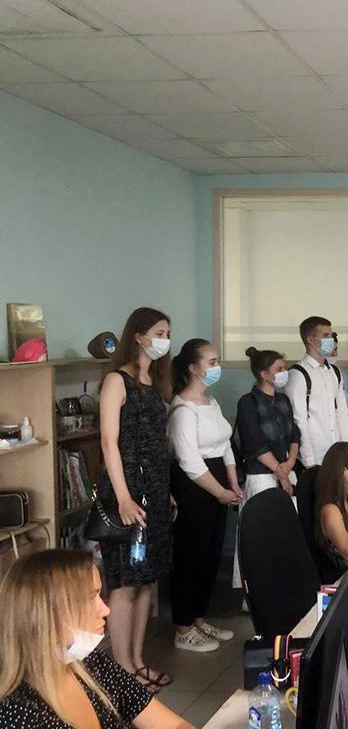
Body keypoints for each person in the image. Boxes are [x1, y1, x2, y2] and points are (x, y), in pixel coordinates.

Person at [0, 549, 192, 728]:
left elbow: (170, 724)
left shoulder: (93, 663)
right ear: (44, 613)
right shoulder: (18, 715)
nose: (106, 610)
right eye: (89, 598)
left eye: (99, 595)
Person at [97, 307, 175, 693]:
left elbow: (156, 443)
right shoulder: (117, 380)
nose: (165, 340)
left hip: (155, 492)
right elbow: (109, 443)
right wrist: (124, 499)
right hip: (126, 495)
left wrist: (167, 491)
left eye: (167, 333)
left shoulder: (153, 382)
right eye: (159, 332)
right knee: (126, 582)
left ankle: (138, 661)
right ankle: (121, 669)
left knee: (146, 581)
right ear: (139, 336)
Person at [166, 339, 241, 653]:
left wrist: (233, 482)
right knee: (191, 556)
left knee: (210, 555)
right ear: (192, 368)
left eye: (217, 360)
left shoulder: (212, 403)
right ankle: (183, 628)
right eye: (211, 362)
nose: (217, 367)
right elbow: (189, 461)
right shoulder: (182, 409)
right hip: (194, 487)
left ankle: (199, 619)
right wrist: (221, 492)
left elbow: (225, 445)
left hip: (218, 482)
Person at [232, 347, 302, 589]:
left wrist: (289, 464)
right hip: (261, 476)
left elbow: (294, 435)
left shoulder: (283, 401)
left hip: (287, 470)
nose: (284, 373)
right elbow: (254, 444)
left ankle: (284, 586)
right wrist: (281, 475)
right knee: (259, 535)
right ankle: (255, 591)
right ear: (264, 374)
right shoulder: (248, 403)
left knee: (286, 534)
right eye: (279, 369)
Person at [284, 316, 348, 480]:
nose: (331, 339)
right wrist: (309, 461)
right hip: (314, 455)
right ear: (311, 339)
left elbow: (342, 414)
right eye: (326, 335)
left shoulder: (334, 372)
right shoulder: (298, 374)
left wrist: (346, 450)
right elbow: (299, 420)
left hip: (336, 453)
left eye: (331, 335)